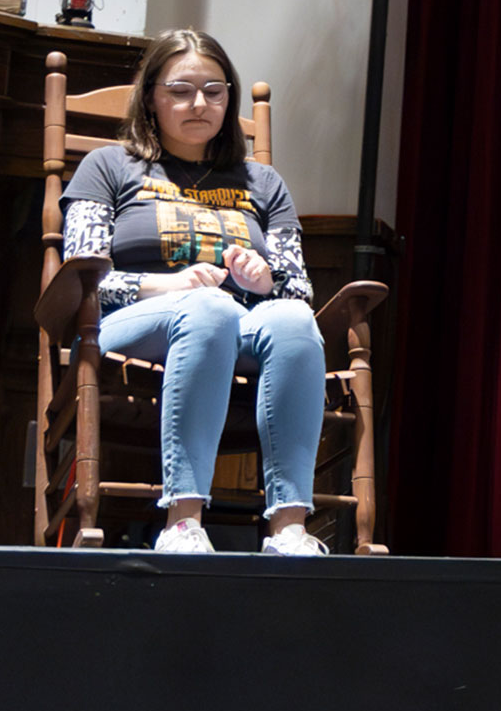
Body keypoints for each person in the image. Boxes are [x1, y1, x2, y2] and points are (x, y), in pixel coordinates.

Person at [59, 28, 328, 556]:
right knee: (208, 307)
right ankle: (183, 522)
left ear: (229, 98)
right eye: (180, 90)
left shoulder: (264, 183)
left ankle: (289, 528)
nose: (199, 103)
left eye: (214, 90)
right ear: (152, 98)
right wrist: (164, 285)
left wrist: (264, 279)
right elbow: (84, 277)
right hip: (131, 321)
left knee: (293, 322)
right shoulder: (108, 167)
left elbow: (298, 290)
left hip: (243, 323)